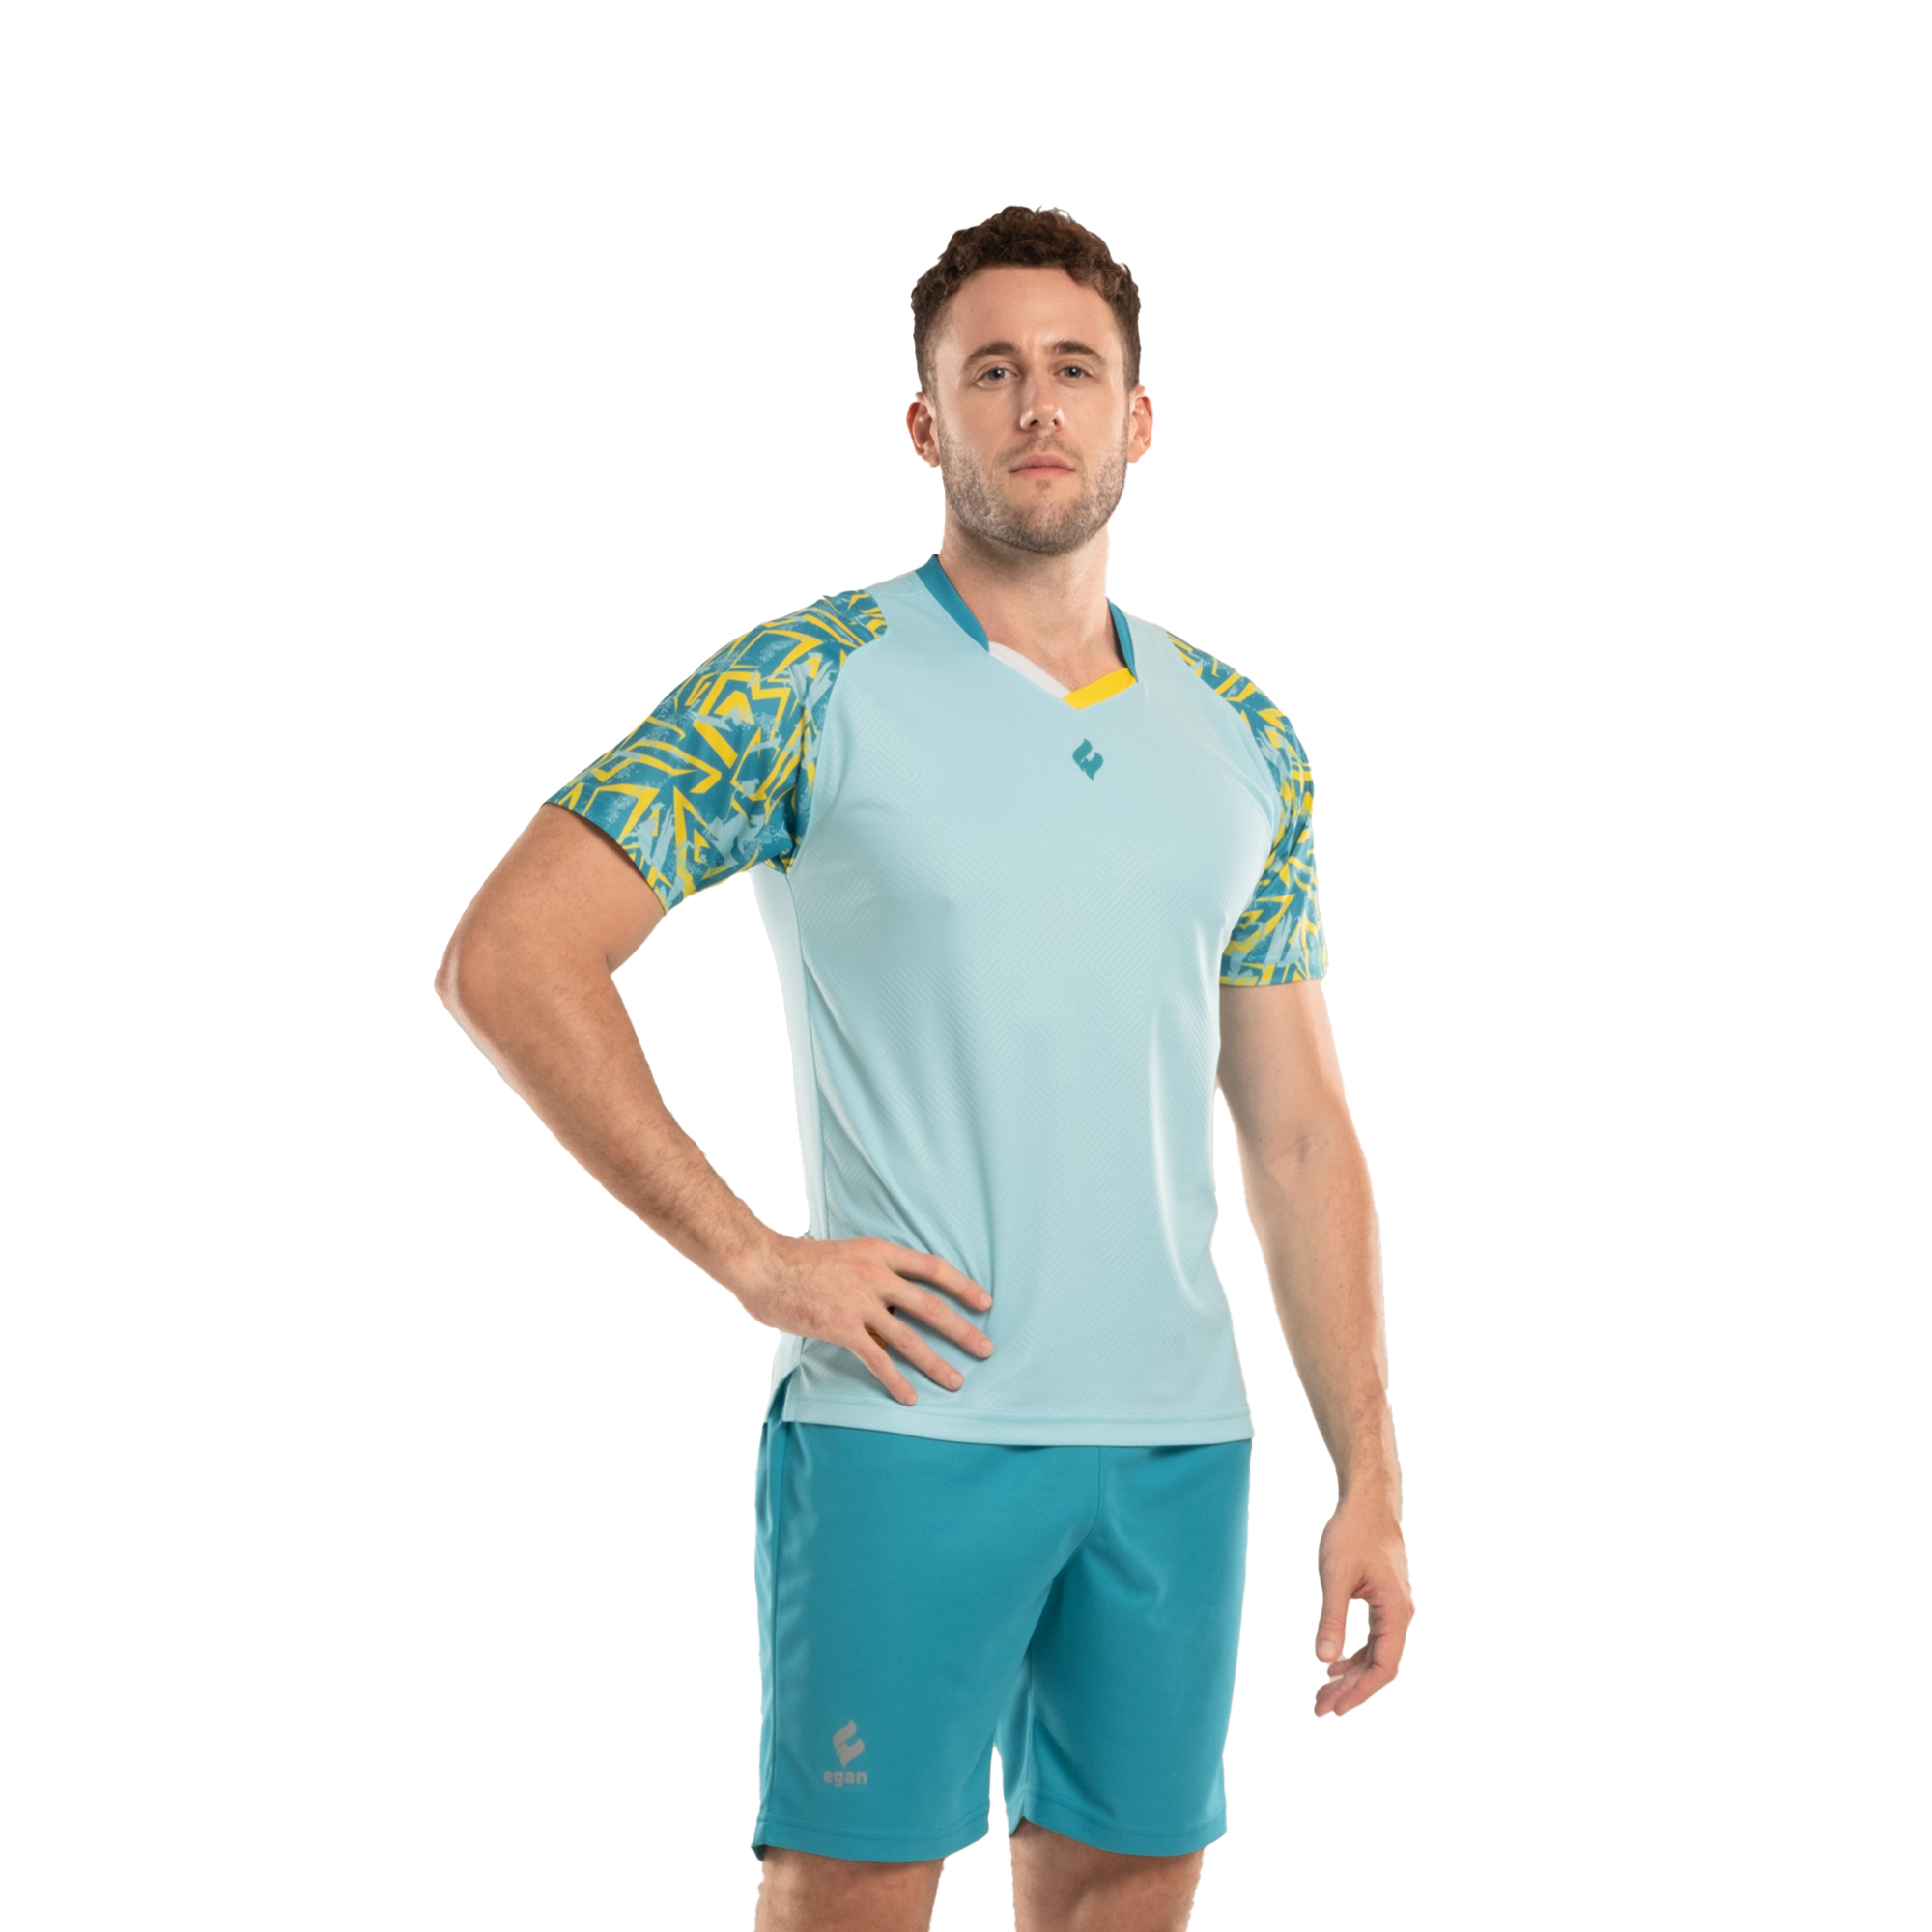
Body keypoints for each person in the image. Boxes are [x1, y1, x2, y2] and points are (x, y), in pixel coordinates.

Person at [436, 204, 1411, 1932]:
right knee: (850, 1896)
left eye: (1075, 370)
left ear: (1138, 418)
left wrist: (1373, 1473)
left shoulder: (1247, 736)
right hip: (909, 1427)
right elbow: (509, 957)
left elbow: (1300, 1137)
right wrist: (756, 1259)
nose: (1038, 406)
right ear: (925, 419)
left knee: (1130, 1888)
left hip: (1178, 1443)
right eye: (992, 371)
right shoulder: (807, 684)